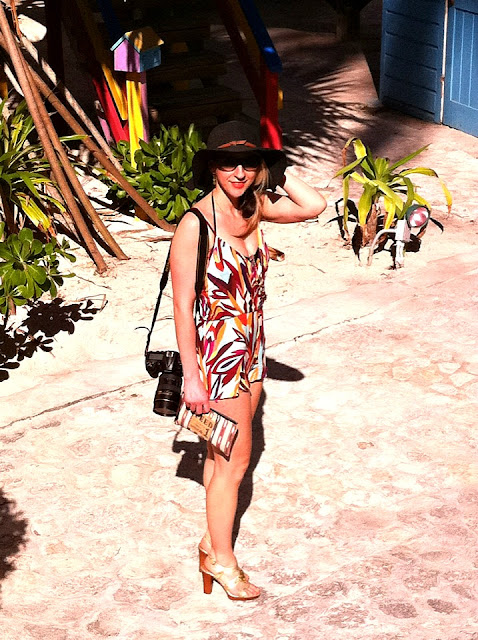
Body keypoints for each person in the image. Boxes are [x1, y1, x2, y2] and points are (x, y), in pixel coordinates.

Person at [170, 121, 326, 600]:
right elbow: (182, 306)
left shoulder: (254, 207)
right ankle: (223, 562)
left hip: (252, 349)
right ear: (211, 168)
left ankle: (211, 544)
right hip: (218, 356)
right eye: (227, 163)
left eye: (248, 163)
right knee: (235, 463)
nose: (238, 172)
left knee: (221, 458)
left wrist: (277, 168)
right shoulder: (195, 225)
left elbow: (314, 206)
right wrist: (192, 379)